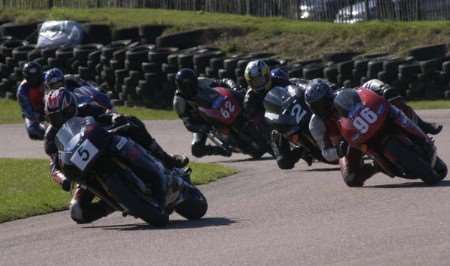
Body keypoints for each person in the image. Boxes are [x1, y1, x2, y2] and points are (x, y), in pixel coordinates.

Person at [44, 88, 188, 224]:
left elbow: (108, 114)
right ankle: (113, 204)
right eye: (54, 117)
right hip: (86, 169)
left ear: (72, 106)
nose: (60, 119)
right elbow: (54, 166)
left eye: (63, 113)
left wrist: (115, 118)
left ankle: (166, 158)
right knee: (77, 211)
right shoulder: (51, 138)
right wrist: (63, 180)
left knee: (132, 122)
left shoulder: (87, 108)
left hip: (107, 144)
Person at [305, 79, 432, 187]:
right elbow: (325, 152)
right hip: (351, 142)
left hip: (370, 119)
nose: (322, 109)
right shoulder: (316, 124)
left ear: (329, 95)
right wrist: (338, 150)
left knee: (394, 100)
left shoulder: (343, 95)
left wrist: (383, 88)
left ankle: (422, 126)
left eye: (322, 103)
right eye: (316, 107)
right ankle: (377, 166)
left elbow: (367, 86)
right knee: (351, 178)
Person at [173, 68, 238, 157]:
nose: (189, 87)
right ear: (179, 86)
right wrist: (200, 127)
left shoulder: (202, 81)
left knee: (238, 95)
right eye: (186, 85)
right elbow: (187, 123)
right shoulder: (179, 102)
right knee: (196, 150)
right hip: (203, 122)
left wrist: (234, 88)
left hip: (218, 106)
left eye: (191, 84)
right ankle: (219, 150)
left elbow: (223, 82)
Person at [361, 79, 442, 135]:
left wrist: (383, 89)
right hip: (368, 129)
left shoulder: (360, 90)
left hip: (383, 112)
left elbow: (371, 84)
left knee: (393, 97)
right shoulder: (349, 105)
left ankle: (422, 125)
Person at [44, 67, 114, 111]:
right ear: (49, 86)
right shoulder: (48, 100)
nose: (57, 87)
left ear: (63, 81)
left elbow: (88, 98)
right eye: (54, 85)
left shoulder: (75, 91)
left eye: (59, 83)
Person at [16, 62, 46, 140]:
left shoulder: (48, 79)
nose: (34, 79)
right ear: (26, 77)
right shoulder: (22, 90)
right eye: (32, 77)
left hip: (54, 106)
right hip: (37, 112)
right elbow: (28, 111)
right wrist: (41, 116)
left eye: (36, 76)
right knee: (33, 132)